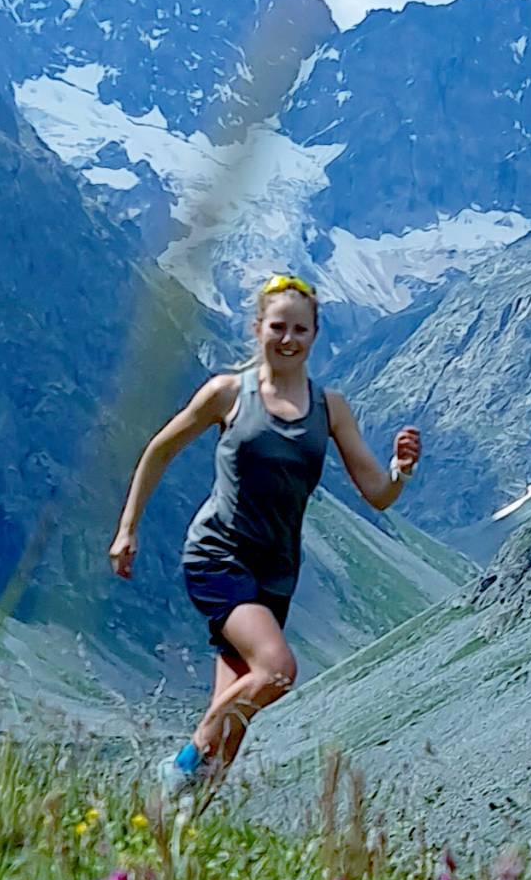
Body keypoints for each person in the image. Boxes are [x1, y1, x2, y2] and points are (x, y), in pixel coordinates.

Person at [108, 273, 423, 799]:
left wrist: (400, 471)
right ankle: (181, 761)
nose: (288, 339)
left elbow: (376, 492)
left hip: (276, 573)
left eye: (300, 330)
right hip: (218, 555)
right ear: (257, 329)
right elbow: (159, 449)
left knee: (233, 730)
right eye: (278, 327)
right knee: (276, 671)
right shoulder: (228, 393)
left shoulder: (330, 408)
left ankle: (176, 834)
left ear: (315, 335)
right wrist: (127, 529)